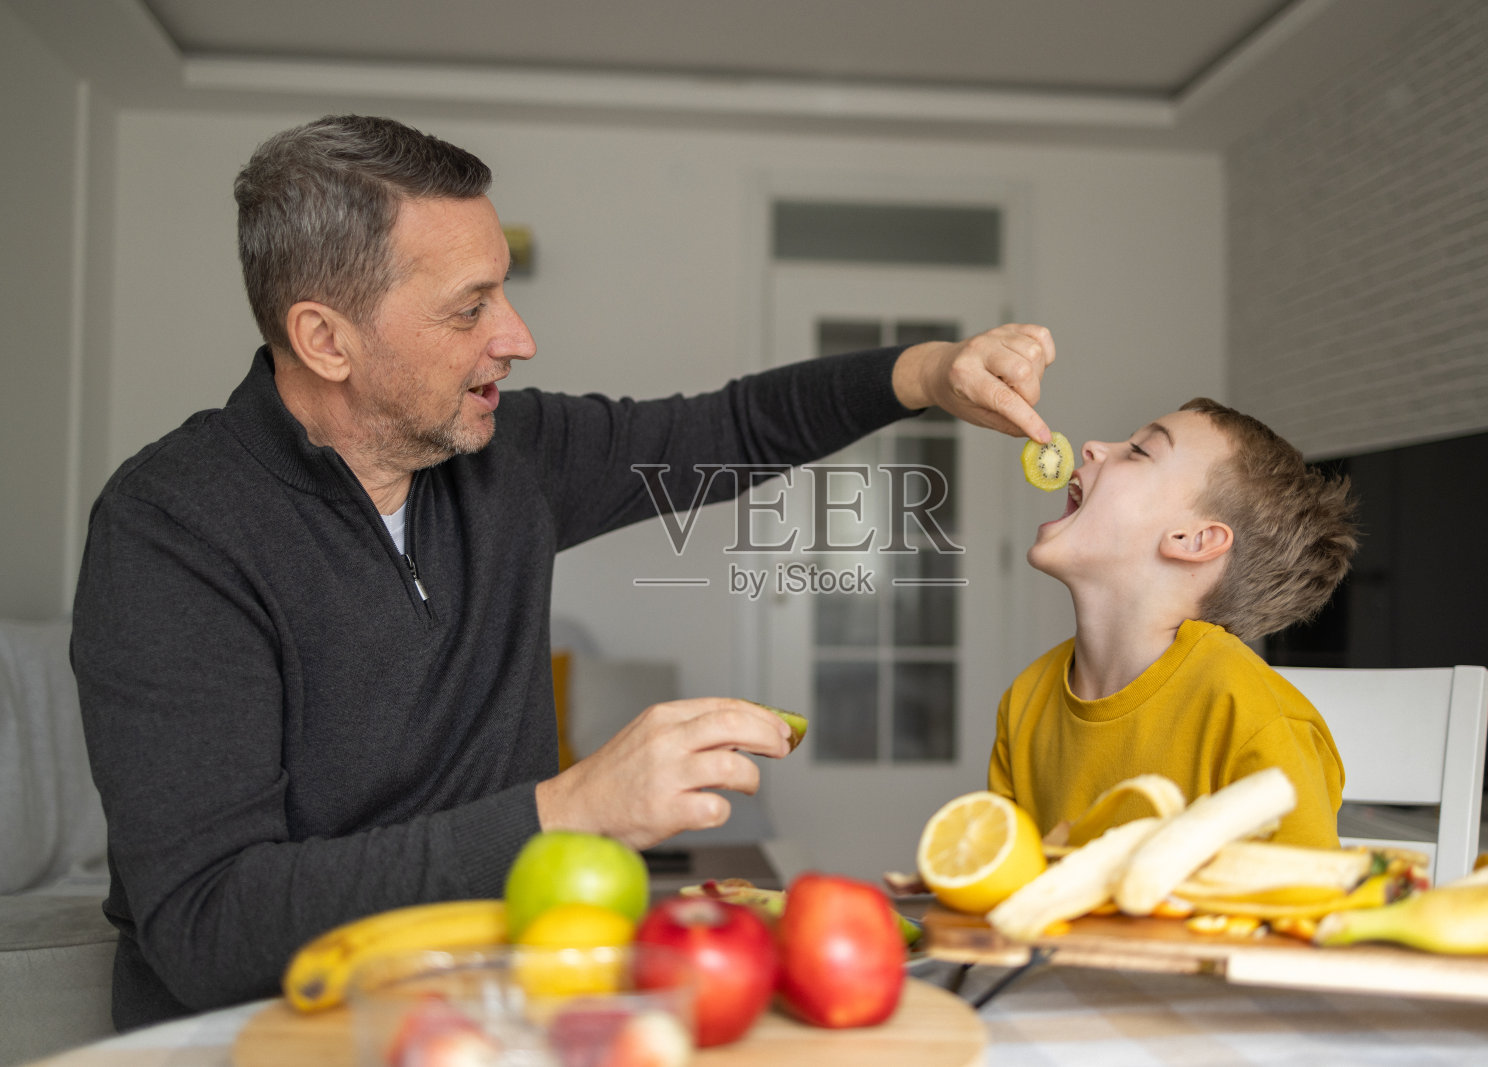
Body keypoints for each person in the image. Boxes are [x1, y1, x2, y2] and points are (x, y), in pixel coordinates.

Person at [69, 114, 1057, 1028]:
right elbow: (207, 924)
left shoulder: (512, 457)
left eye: (503, 291)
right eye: (470, 308)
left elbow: (730, 426)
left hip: (502, 1010)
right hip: (260, 1033)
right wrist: (570, 810)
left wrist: (928, 374)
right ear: (326, 338)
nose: (518, 338)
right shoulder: (172, 528)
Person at [988, 398, 1358, 846]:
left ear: (1192, 539)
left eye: (1139, 451)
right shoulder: (1025, 699)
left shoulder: (1256, 718)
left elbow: (1302, 888)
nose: (1091, 447)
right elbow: (1006, 871)